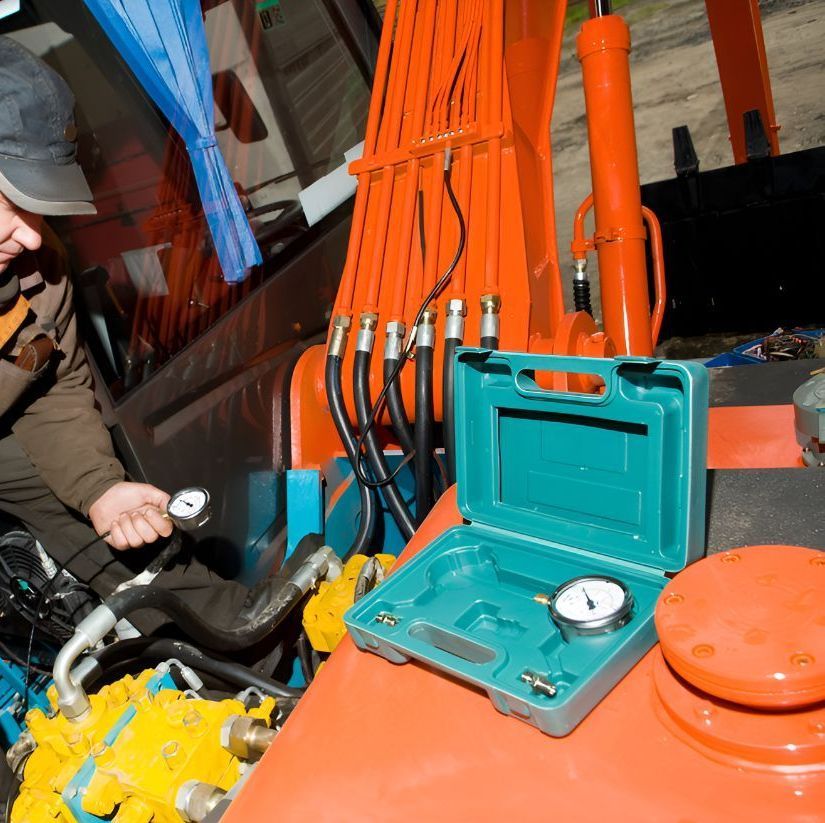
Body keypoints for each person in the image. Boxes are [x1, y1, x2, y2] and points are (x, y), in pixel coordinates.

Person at [0, 35, 251, 635]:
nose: (32, 238)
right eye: (9, 201)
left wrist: (97, 490)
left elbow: (52, 384)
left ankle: (244, 646)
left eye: (37, 208)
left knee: (111, 533)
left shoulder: (36, 269)